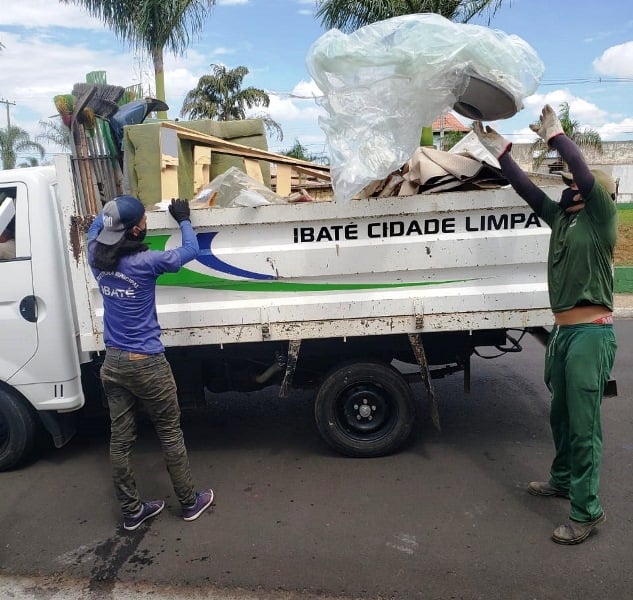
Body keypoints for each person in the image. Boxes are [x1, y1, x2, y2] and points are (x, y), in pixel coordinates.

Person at [473, 104, 617, 545]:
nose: (567, 185)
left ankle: (587, 511)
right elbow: (526, 190)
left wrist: (556, 135)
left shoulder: (599, 219)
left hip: (591, 332)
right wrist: (502, 153)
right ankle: (562, 478)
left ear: (591, 194)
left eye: (573, 184)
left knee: (583, 425)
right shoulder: (562, 219)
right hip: (563, 333)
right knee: (560, 412)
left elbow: (581, 168)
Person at [87, 195, 214, 531]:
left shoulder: (94, 256)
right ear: (133, 232)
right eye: (143, 220)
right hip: (147, 364)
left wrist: (110, 211)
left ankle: (132, 511)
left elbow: (95, 229)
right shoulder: (147, 262)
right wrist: (183, 218)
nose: (146, 224)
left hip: (112, 363)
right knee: (170, 432)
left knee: (120, 439)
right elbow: (190, 251)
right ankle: (189, 502)